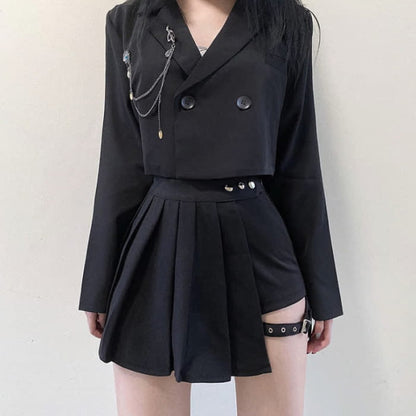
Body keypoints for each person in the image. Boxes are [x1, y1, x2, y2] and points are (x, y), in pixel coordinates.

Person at [78, 0, 344, 414]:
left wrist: (321, 288)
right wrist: (100, 280)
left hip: (261, 248)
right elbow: (121, 157)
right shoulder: (129, 20)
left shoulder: (287, 20)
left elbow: (298, 159)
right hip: (158, 244)